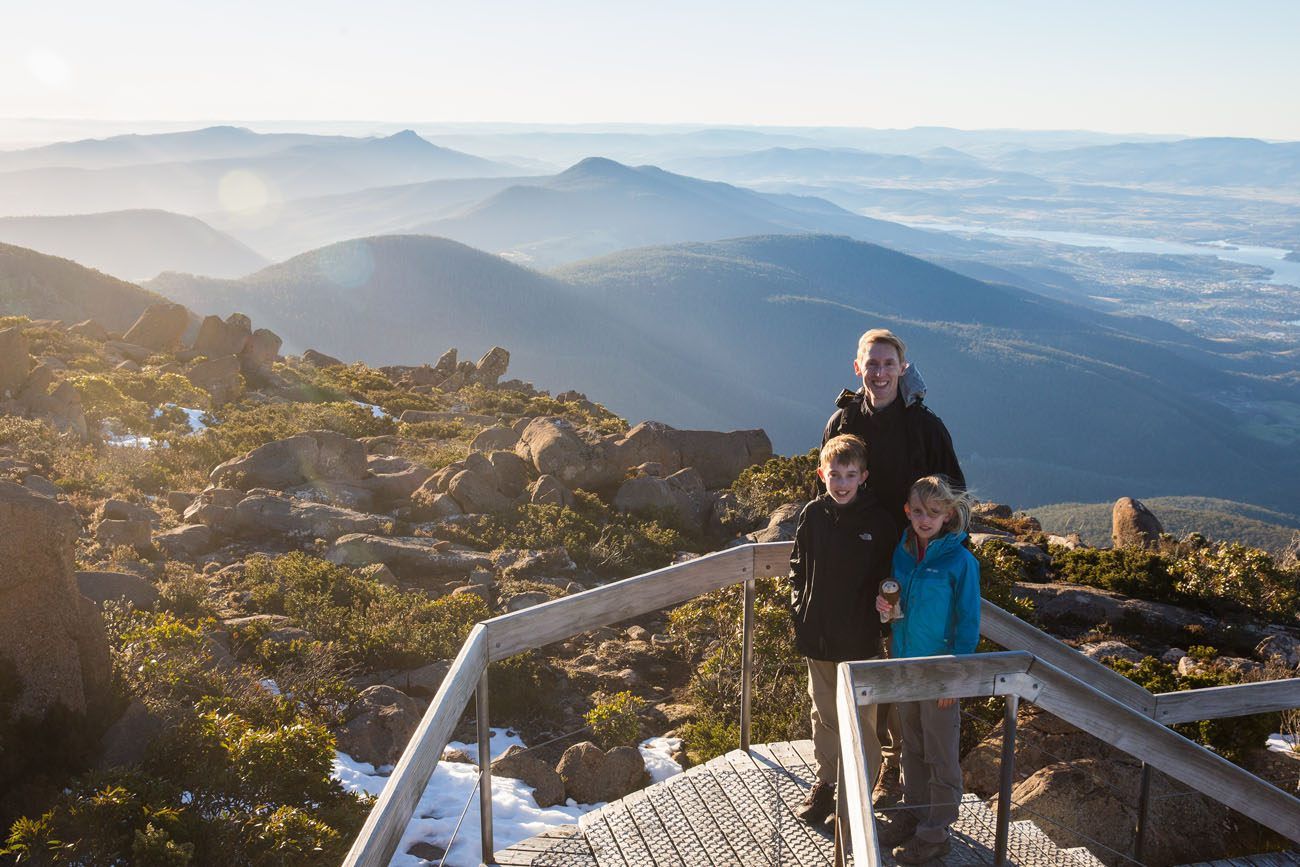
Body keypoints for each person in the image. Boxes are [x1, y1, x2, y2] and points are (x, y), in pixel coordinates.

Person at [822, 327, 965, 801]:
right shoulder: (842, 421)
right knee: (870, 664)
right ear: (856, 367)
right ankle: (868, 767)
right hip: (858, 569)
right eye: (872, 363)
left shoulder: (926, 428)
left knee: (900, 663)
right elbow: (825, 493)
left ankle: (898, 773)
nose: (880, 372)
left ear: (902, 368)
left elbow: (954, 501)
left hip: (909, 567)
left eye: (889, 364)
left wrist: (944, 566)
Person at [787, 434, 900, 825]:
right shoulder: (812, 515)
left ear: (863, 476)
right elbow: (797, 567)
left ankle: (859, 796)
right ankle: (827, 784)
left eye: (850, 474)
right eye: (835, 474)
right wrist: (799, 609)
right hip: (817, 637)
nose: (841, 482)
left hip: (860, 640)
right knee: (824, 715)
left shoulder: (879, 522)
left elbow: (892, 576)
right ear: (822, 474)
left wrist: (886, 606)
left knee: (864, 723)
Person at [873, 475, 981, 864]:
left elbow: (968, 623)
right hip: (905, 667)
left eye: (933, 513)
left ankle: (936, 833)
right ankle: (914, 817)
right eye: (918, 511)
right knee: (913, 748)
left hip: (939, 674)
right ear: (907, 510)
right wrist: (883, 609)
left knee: (940, 754)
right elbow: (894, 602)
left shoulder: (961, 562)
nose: (924, 519)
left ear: (948, 515)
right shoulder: (901, 552)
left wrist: (955, 675)